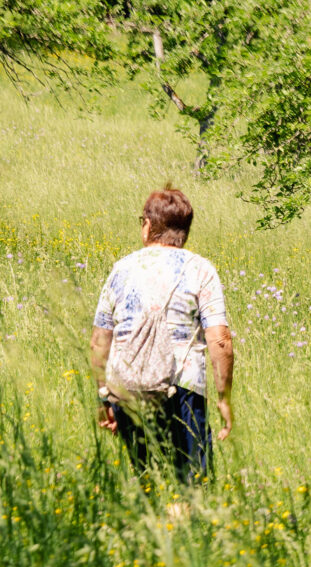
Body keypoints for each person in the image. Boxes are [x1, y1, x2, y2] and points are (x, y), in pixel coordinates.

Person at [90, 188, 234, 484]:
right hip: (183, 389)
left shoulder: (122, 270)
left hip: (130, 388)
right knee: (192, 486)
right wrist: (223, 398)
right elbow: (220, 339)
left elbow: (99, 340)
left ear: (148, 225)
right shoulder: (200, 270)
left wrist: (104, 396)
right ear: (185, 231)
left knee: (146, 483)